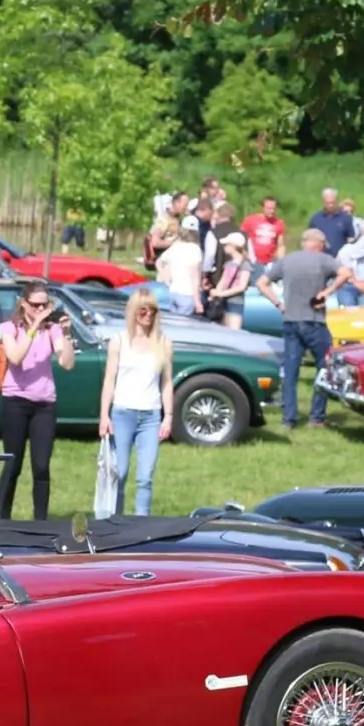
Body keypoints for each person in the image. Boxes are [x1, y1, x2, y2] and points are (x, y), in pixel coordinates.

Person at [0, 281, 76, 521]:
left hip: (44, 404)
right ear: (23, 303)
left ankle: (41, 522)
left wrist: (67, 335)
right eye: (35, 305)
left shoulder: (52, 330)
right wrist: (34, 327)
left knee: (41, 466)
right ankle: (2, 520)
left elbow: (67, 364)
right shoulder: (10, 328)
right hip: (15, 401)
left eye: (45, 305)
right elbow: (16, 357)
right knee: (13, 464)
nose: (40, 309)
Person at [256, 229, 351, 429]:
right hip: (314, 322)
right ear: (319, 244)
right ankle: (316, 417)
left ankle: (288, 419)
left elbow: (262, 283)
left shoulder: (286, 261)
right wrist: (327, 291)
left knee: (291, 373)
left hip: (291, 321)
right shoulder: (324, 260)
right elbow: (346, 273)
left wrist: (278, 304)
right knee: (324, 368)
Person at [98, 289, 174, 516]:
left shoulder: (164, 342)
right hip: (122, 413)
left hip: (151, 416)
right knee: (119, 474)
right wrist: (104, 415)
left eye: (153, 310)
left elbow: (167, 382)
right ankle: (115, 521)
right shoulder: (119, 341)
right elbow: (109, 380)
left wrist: (167, 417)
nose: (148, 314)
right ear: (133, 312)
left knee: (145, 478)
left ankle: (142, 527)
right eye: (143, 310)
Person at [158, 221, 206, 316]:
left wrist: (166, 278)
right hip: (187, 294)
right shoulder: (195, 249)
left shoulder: (175, 247)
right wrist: (197, 302)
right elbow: (194, 277)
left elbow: (159, 262)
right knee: (185, 325)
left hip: (173, 292)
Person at [208, 232, 253, 329]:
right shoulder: (228, 264)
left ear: (233, 246)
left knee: (233, 331)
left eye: (226, 245)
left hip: (235, 303)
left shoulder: (245, 265)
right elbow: (223, 281)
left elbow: (242, 286)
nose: (224, 247)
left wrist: (221, 294)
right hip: (223, 302)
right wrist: (216, 292)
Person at [241, 196, 288, 270]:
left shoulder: (279, 223)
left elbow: (280, 245)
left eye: (274, 208)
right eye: (269, 208)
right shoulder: (250, 220)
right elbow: (241, 238)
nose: (272, 211)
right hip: (252, 260)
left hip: (269, 262)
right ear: (263, 208)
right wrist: (244, 255)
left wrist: (281, 261)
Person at [308, 188, 357, 252]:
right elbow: (309, 239)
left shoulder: (346, 218)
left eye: (332, 203)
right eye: (327, 203)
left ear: (337, 201)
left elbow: (351, 238)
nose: (330, 206)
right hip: (320, 257)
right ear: (323, 202)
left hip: (339, 258)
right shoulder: (315, 219)